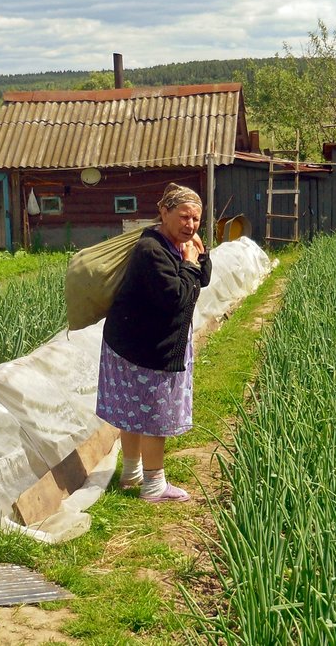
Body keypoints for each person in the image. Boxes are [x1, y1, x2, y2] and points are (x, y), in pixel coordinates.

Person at [96, 182, 211, 503]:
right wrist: (189, 262)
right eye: (184, 217)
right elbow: (175, 298)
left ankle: (131, 473)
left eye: (196, 220)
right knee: (154, 416)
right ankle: (153, 484)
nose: (190, 225)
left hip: (135, 341)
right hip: (146, 348)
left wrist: (199, 255)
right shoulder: (152, 250)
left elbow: (202, 280)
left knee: (133, 410)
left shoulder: (174, 245)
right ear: (164, 212)